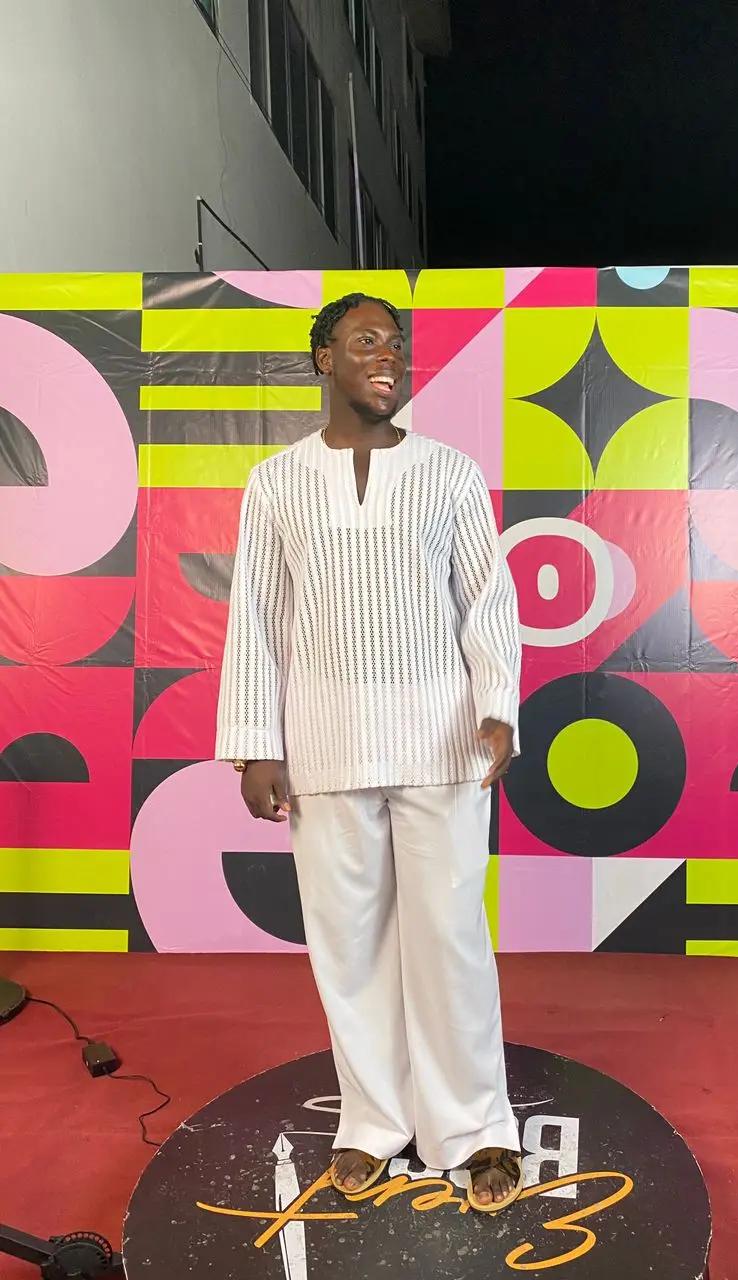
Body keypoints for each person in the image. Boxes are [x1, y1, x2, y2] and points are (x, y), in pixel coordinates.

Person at [215, 292, 524, 1212]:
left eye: (396, 343)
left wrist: (497, 706)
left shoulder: (450, 473)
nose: (388, 356)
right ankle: (373, 1121)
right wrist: (254, 744)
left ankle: (474, 1126)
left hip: (441, 738)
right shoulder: (276, 482)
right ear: (324, 359)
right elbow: (256, 617)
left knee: (450, 938)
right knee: (348, 945)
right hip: (326, 742)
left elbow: (487, 600)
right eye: (365, 341)